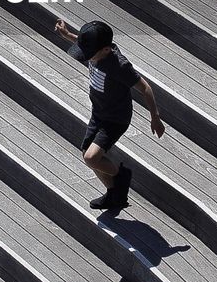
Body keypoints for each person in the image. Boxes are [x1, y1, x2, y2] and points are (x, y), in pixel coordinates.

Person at [54, 19, 164, 210]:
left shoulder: (119, 66)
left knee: (91, 158)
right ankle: (114, 195)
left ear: (105, 50)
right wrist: (67, 35)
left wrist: (155, 117)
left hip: (115, 118)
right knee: (87, 153)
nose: (87, 58)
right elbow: (86, 46)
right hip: (98, 112)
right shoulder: (97, 52)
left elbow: (145, 88)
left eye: (90, 54)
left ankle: (121, 176)